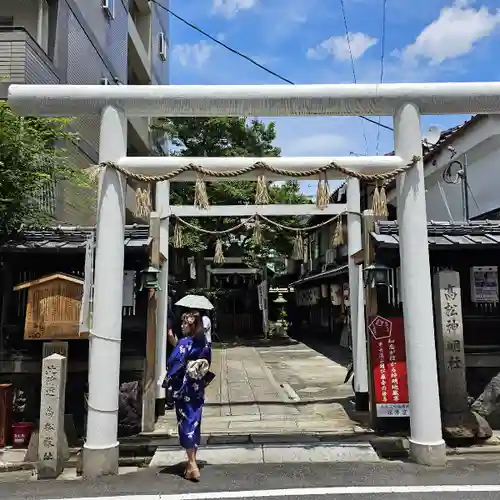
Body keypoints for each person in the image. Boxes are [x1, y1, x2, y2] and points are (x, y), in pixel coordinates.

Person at [164, 311, 212, 481]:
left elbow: (173, 363)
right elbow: (207, 362)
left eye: (185, 323)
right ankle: (192, 463)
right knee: (195, 421)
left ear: (191, 325)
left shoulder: (184, 343)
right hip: (197, 387)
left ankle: (192, 464)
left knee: (185, 422)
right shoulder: (203, 343)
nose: (182, 326)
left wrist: (174, 345)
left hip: (184, 388)